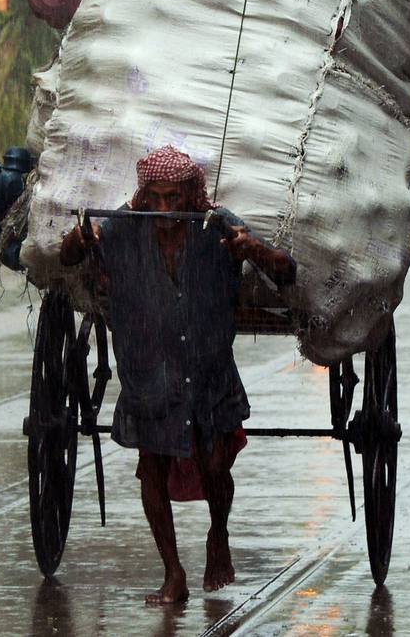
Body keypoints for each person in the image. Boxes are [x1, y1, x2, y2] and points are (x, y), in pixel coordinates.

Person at [59, 145, 295, 605]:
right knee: (152, 471)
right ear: (144, 197)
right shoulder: (122, 229)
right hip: (149, 373)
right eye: (158, 198)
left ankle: (218, 537)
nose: (166, 209)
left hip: (208, 372)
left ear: (192, 196)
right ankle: (173, 573)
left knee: (213, 463)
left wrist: (253, 249)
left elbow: (286, 273)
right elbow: (69, 256)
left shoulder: (219, 225)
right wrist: (80, 239)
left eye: (175, 198)